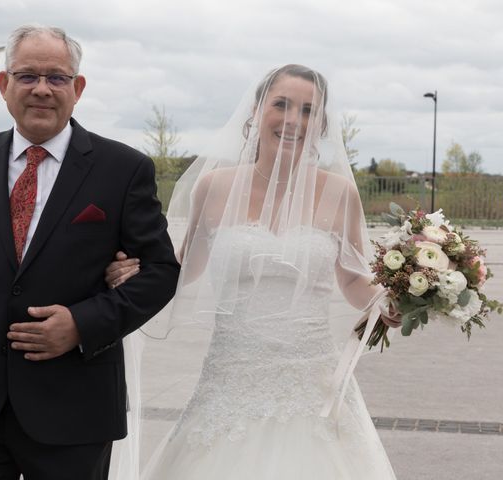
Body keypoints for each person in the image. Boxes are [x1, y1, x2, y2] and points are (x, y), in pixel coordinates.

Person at [0, 24, 179, 480]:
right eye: (28, 76)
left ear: (78, 87)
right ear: (4, 84)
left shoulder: (124, 169)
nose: (42, 89)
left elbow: (161, 271)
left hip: (74, 407)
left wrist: (82, 324)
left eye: (57, 77)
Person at [106, 64, 399, 479]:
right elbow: (183, 269)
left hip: (311, 379)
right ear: (257, 110)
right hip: (230, 379)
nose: (294, 119)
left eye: (308, 110)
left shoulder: (340, 192)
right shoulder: (215, 187)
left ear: (321, 124)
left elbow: (351, 277)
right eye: (282, 104)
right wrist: (136, 273)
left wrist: (388, 299)